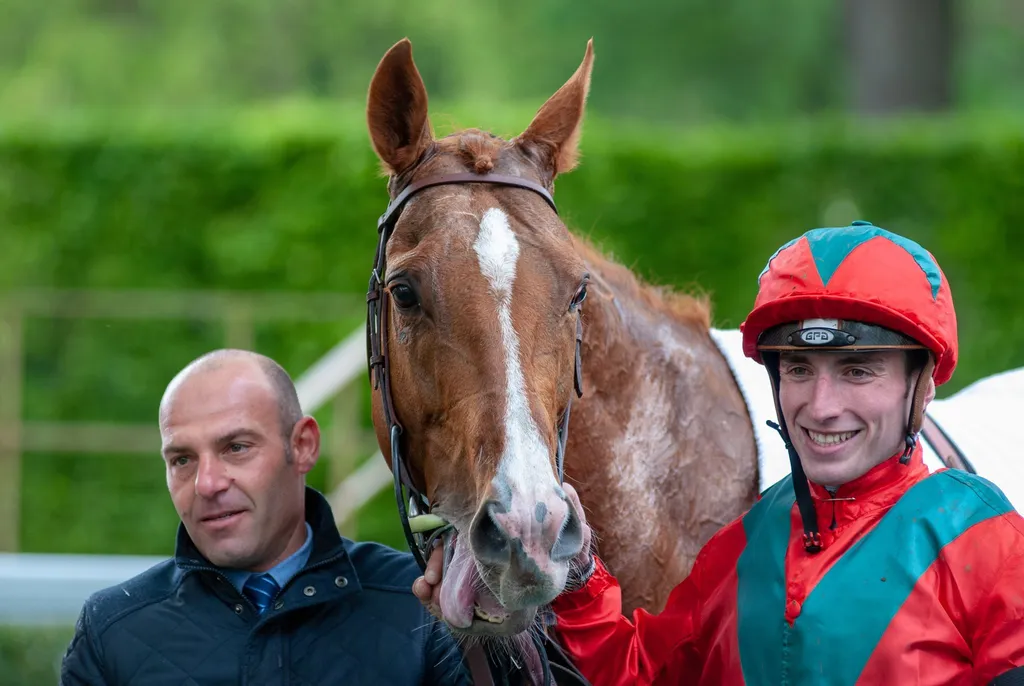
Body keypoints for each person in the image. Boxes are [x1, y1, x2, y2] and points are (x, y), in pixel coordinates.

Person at [414, 221, 1024, 685]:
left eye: (858, 371)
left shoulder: (987, 540)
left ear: (923, 384)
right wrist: (574, 573)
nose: (821, 405)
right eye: (800, 370)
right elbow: (637, 673)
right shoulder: (742, 544)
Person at [61, 349, 471, 685]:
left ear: (304, 446)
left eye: (236, 447)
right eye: (182, 459)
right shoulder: (112, 631)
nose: (207, 483)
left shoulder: (417, 606)